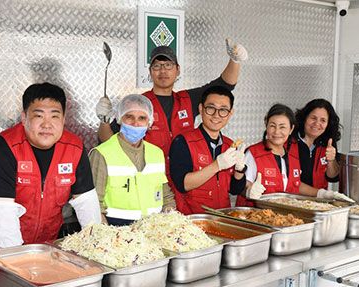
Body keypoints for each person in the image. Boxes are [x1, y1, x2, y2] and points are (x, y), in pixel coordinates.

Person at [0, 82, 101, 249]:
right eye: (39, 116)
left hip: (46, 246)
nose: (47, 124)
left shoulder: (74, 147)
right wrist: (18, 261)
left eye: (54, 116)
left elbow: (86, 203)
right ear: (24, 118)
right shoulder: (3, 147)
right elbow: (3, 213)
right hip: (3, 249)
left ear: (64, 119)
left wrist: (97, 245)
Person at [96, 39, 248, 154]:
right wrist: (104, 121)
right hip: (149, 177)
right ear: (150, 72)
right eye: (157, 66)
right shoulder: (137, 103)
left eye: (168, 65)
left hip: (183, 180)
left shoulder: (188, 99)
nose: (163, 71)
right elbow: (108, 140)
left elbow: (224, 85)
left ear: (178, 70)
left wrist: (235, 61)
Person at [235, 104, 352, 206]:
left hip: (282, 219)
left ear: (291, 129)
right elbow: (241, 186)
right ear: (266, 124)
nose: (277, 132)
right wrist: (249, 191)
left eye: (282, 127)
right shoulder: (254, 153)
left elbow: (295, 185)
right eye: (272, 126)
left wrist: (323, 194)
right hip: (253, 218)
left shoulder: (292, 155)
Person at [90, 94, 175, 226]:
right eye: (129, 117)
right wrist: (106, 236)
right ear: (119, 119)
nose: (135, 124)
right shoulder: (102, 154)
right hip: (116, 231)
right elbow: (93, 205)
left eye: (142, 118)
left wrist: (170, 221)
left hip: (153, 229)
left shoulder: (156, 153)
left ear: (149, 122)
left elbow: (166, 196)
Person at [169, 85, 247, 214]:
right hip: (192, 220)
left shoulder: (229, 145)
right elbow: (183, 184)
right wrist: (217, 165)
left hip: (222, 218)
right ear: (201, 109)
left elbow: (234, 190)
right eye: (211, 108)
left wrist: (240, 170)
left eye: (223, 110)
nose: (216, 115)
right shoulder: (183, 142)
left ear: (230, 113)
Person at [293, 98, 341, 190]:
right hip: (291, 199)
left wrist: (331, 160)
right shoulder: (290, 140)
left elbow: (332, 177)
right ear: (305, 118)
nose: (317, 123)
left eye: (323, 120)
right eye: (313, 118)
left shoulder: (328, 142)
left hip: (318, 202)